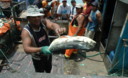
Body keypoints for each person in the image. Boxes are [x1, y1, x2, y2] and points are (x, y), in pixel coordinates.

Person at [21, 5, 66, 73]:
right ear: (28, 18)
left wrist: (58, 29)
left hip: (48, 55)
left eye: (38, 16)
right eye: (34, 17)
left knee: (48, 70)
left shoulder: (43, 22)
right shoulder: (26, 32)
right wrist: (41, 49)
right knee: (40, 73)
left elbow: (52, 24)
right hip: (38, 58)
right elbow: (26, 49)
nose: (37, 19)